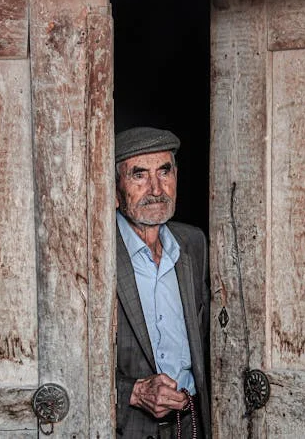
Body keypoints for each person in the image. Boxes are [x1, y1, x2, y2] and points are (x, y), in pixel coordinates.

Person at [114, 127, 211, 439]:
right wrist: (134, 391)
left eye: (164, 171)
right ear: (116, 192)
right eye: (139, 175)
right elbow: (64, 358)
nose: (156, 189)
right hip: (127, 427)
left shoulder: (193, 243)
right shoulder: (94, 251)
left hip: (193, 423)